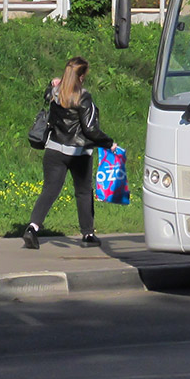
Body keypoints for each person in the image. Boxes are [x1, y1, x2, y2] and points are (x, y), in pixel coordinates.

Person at [23, 57, 119, 250]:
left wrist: (53, 83)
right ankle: (88, 234)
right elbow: (90, 129)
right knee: (83, 192)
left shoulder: (54, 93)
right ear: (81, 77)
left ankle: (32, 228)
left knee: (50, 190)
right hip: (79, 152)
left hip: (54, 149)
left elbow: (48, 92)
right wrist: (109, 143)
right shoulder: (84, 97)